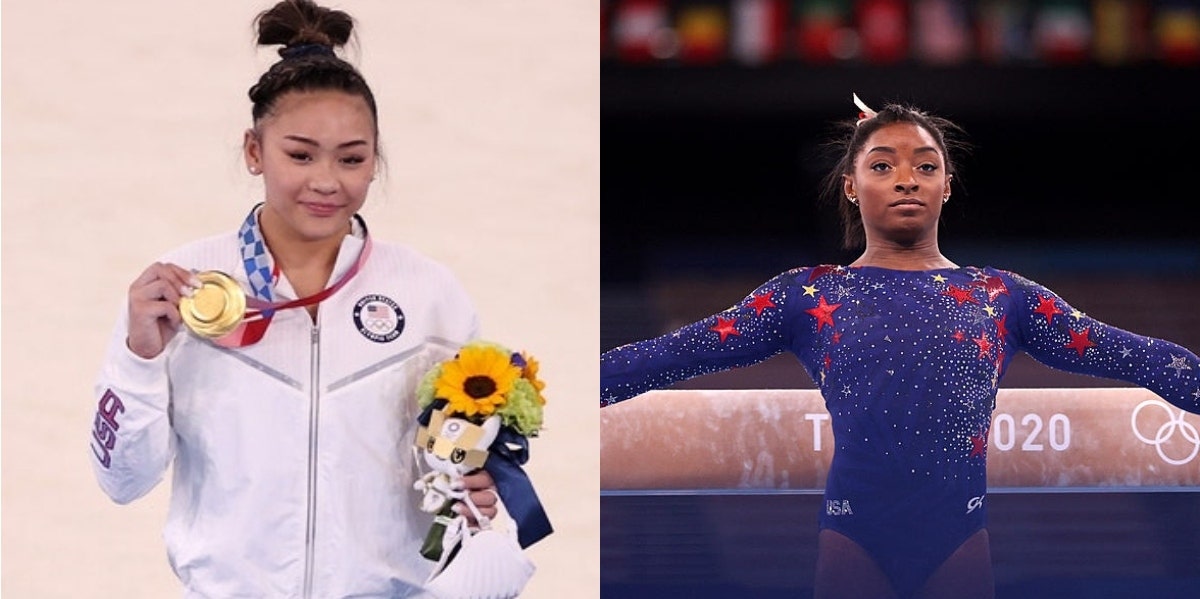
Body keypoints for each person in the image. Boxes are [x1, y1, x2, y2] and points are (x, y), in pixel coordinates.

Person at [600, 95, 1200, 599]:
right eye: (883, 166)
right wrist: (556, 394)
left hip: (958, 539)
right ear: (852, 187)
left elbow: (1136, 355)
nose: (907, 178)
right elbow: (675, 353)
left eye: (925, 165)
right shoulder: (808, 295)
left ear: (946, 184)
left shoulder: (1001, 297)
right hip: (854, 535)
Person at [89, 1, 548, 596]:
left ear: (374, 161)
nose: (327, 181)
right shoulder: (186, 287)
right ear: (254, 151)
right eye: (300, 154)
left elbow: (454, 467)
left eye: (352, 158)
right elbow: (121, 481)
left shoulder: (429, 293)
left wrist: (474, 487)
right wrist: (138, 358)